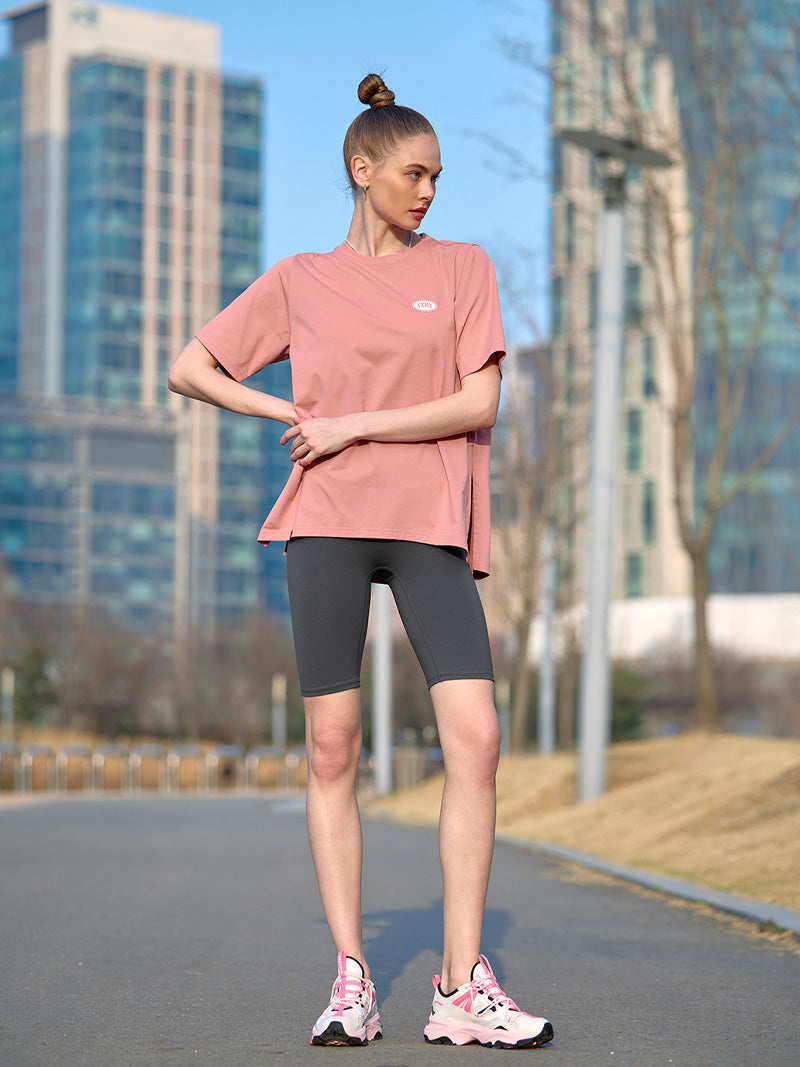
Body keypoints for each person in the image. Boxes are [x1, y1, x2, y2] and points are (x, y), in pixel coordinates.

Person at [168, 72, 553, 1051]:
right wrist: (290, 411)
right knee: (332, 746)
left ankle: (461, 985)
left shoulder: (461, 267)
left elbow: (478, 401)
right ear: (361, 168)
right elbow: (189, 367)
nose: (428, 191)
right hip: (328, 521)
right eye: (413, 173)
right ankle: (352, 979)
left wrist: (353, 423)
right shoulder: (301, 279)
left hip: (429, 523)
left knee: (476, 739)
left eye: (437, 176)